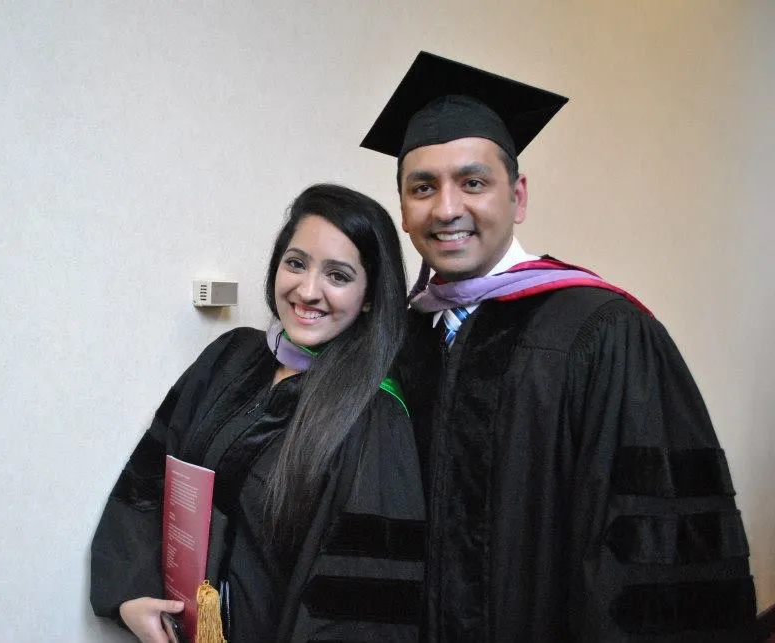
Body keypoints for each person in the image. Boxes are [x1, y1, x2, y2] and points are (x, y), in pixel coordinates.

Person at [361, 52, 757, 642]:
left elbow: (661, 560)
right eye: (424, 187)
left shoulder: (606, 333)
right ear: (402, 208)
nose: (446, 209)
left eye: (473, 182)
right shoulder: (400, 339)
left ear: (518, 197)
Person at [90, 183, 425, 642]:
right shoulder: (230, 357)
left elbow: (361, 609)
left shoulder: (373, 419)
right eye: (296, 263)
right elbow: (149, 477)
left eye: (339, 276)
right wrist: (132, 594)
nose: (308, 291)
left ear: (370, 296)